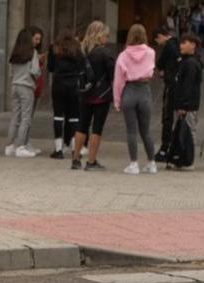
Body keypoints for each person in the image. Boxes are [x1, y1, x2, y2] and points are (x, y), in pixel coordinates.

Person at [114, 25, 158, 175]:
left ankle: (133, 164)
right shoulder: (151, 53)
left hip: (129, 91)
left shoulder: (123, 55)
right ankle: (152, 163)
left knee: (131, 131)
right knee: (146, 131)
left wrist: (117, 100)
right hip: (145, 90)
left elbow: (118, 80)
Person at [72, 21, 116, 171]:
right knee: (97, 128)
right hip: (101, 95)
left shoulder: (81, 50)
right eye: (106, 35)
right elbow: (112, 74)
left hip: (85, 94)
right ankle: (91, 162)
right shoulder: (105, 53)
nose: (107, 38)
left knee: (81, 126)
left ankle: (75, 159)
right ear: (99, 35)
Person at [47, 28, 85, 159]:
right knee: (74, 117)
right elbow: (82, 66)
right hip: (73, 85)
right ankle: (75, 149)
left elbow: (50, 68)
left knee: (58, 116)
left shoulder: (54, 48)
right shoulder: (77, 48)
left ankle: (58, 149)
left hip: (58, 85)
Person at [5, 28, 43, 158]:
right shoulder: (33, 53)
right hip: (26, 87)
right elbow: (35, 71)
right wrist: (37, 77)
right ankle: (21, 146)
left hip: (14, 85)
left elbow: (10, 73)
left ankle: (10, 146)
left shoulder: (14, 54)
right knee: (26, 118)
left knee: (15, 116)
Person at [170, 33, 203, 170]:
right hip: (185, 104)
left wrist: (183, 105)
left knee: (188, 131)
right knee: (183, 130)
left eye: (185, 43)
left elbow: (187, 87)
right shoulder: (186, 61)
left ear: (193, 45)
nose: (181, 46)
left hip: (188, 105)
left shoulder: (191, 64)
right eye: (181, 43)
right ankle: (182, 157)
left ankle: (188, 159)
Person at [153, 25, 180, 163]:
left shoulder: (169, 46)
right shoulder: (178, 42)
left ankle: (165, 148)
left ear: (160, 36)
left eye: (157, 40)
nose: (158, 44)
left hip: (171, 85)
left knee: (167, 117)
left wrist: (163, 70)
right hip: (178, 85)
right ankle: (176, 146)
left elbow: (160, 63)